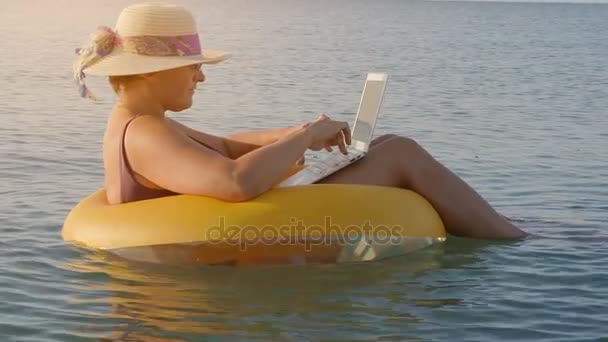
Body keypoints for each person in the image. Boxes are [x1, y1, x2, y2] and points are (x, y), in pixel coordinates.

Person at [73, 3, 527, 240]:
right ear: (151, 70)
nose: (201, 74)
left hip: (228, 227)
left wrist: (294, 134)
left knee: (386, 144)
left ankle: (500, 224)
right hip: (214, 241)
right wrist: (307, 138)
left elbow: (227, 146)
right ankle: (515, 239)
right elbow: (233, 181)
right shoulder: (145, 132)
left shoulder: (145, 120)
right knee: (401, 152)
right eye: (192, 65)